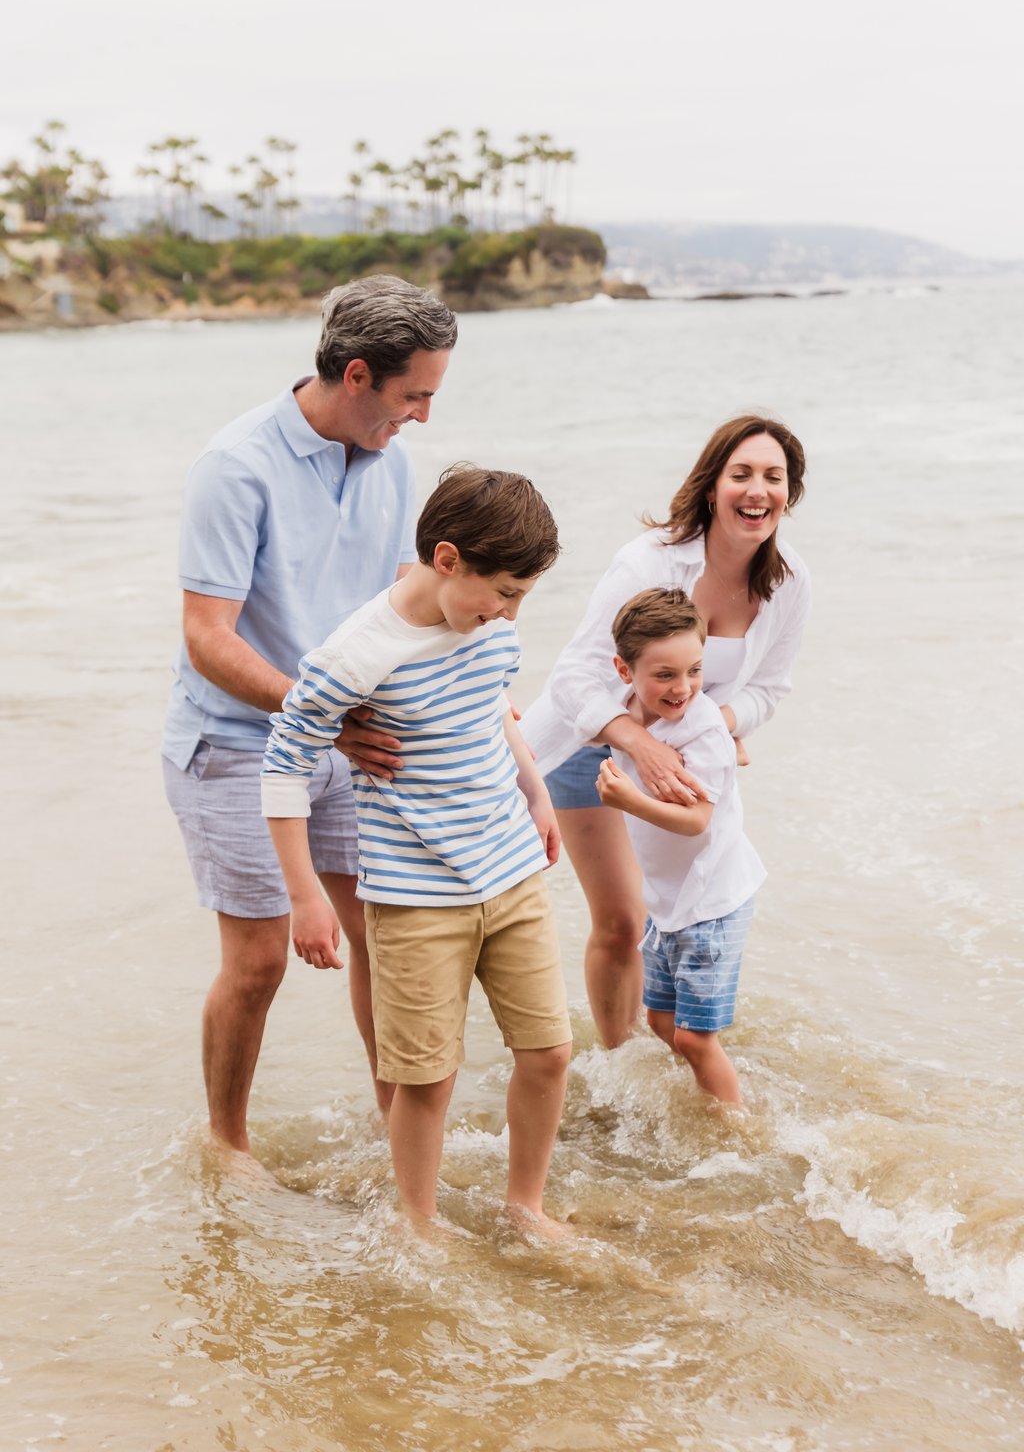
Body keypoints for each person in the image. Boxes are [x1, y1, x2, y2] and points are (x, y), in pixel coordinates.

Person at [161, 274, 458, 1154]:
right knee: (257, 962)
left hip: (341, 737)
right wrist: (320, 713)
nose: (425, 417)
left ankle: (398, 1136)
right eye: (416, 396)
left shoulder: (391, 461)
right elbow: (206, 637)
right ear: (358, 374)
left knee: (380, 933)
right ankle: (228, 1144)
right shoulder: (235, 466)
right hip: (234, 742)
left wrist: (465, 680)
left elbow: (396, 601)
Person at [260, 466, 572, 1228]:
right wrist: (304, 897)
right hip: (414, 896)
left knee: (549, 1052)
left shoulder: (488, 626)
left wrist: (536, 794)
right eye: (502, 592)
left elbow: (494, 709)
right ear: (445, 558)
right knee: (427, 1081)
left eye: (521, 597)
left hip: (513, 872)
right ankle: (419, 1228)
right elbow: (283, 763)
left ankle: (524, 1209)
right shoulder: (359, 653)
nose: (508, 613)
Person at [519, 413, 809, 1049]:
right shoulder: (648, 561)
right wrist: (640, 742)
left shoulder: (787, 584)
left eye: (773, 477)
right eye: (742, 474)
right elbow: (573, 678)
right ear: (713, 487)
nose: (757, 490)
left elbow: (768, 691)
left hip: (681, 756)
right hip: (587, 748)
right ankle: (616, 1059)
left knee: (679, 910)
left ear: (790, 493)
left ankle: (668, 1055)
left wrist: (715, 725)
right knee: (622, 921)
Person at [594, 588, 765, 1103]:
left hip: (712, 900)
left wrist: (628, 801)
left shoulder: (703, 731)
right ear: (625, 672)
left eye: (694, 670)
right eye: (664, 675)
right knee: (661, 1019)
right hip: (668, 901)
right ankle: (704, 1093)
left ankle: (735, 1132)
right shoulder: (625, 713)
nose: (683, 687)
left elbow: (697, 822)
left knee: (694, 1036)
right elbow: (570, 711)